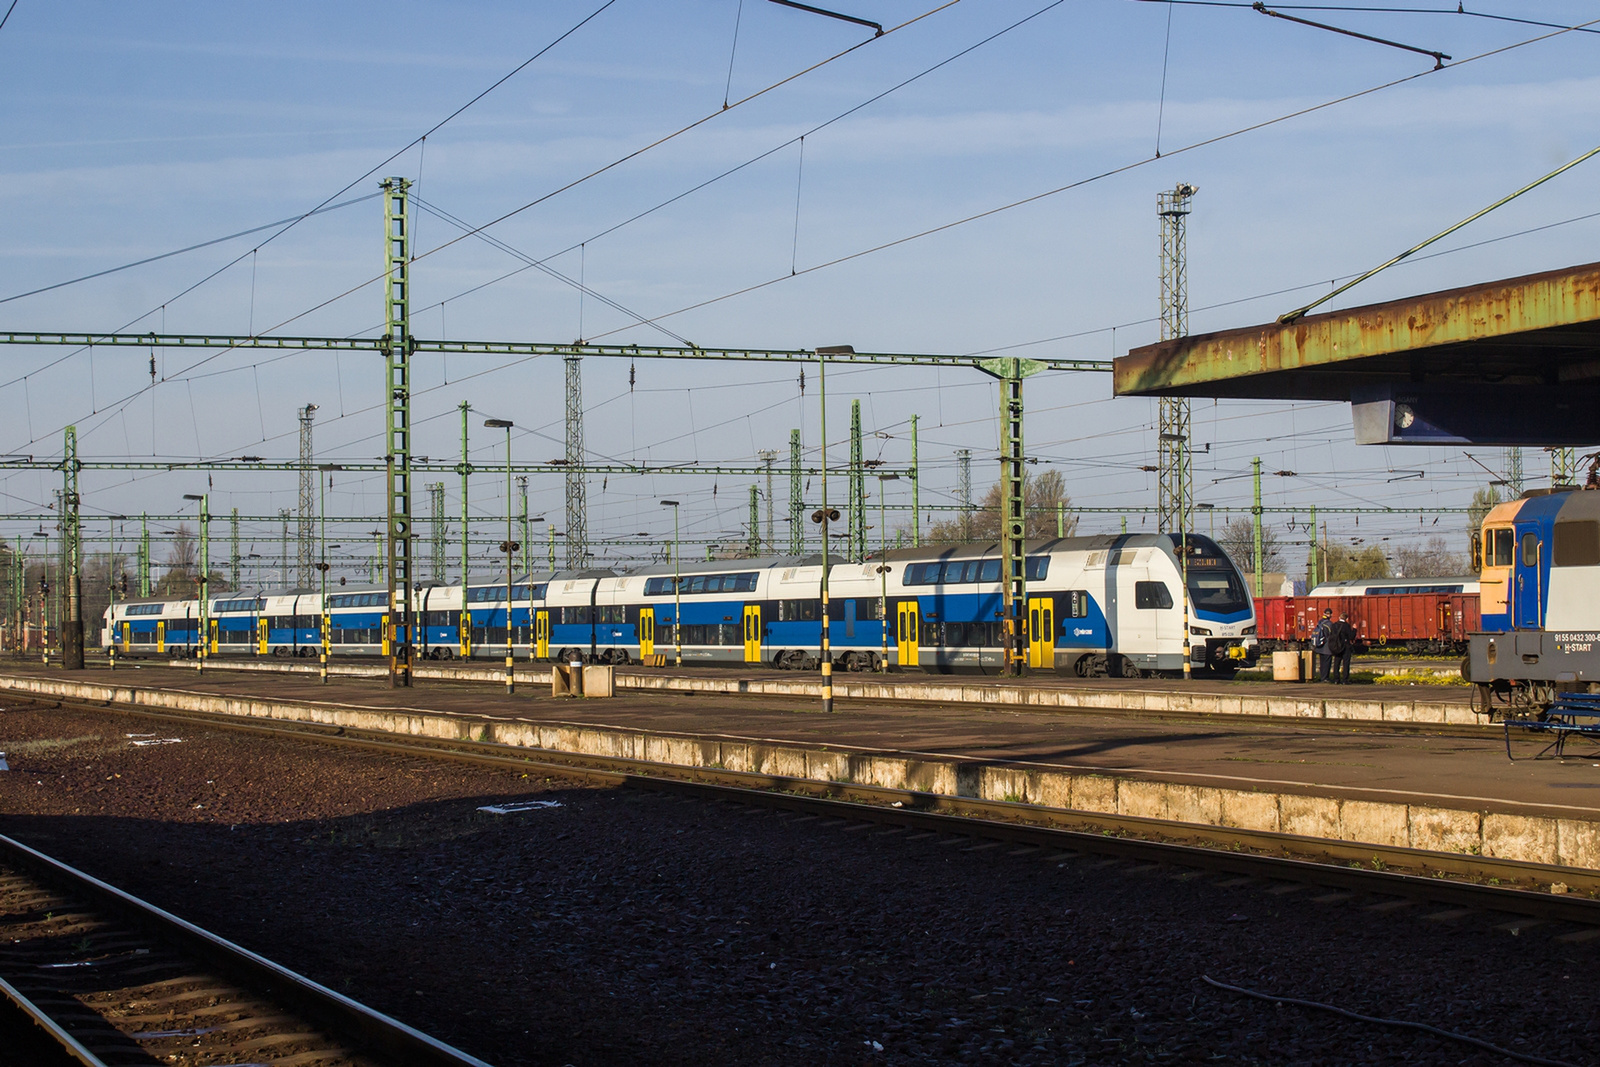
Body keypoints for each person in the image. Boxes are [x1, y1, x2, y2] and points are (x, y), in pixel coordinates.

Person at [1332, 612, 1357, 684]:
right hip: (1345, 646)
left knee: (1336, 663)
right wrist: (1354, 629)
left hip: (1336, 646)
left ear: (1339, 618)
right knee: (1346, 663)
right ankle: (1345, 680)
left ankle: (1336, 679)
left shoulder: (1334, 625)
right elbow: (1351, 636)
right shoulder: (1346, 626)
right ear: (1347, 619)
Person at [1311, 608, 1333, 683]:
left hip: (1320, 647)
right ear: (1330, 614)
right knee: (1327, 663)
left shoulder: (1320, 622)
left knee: (1322, 663)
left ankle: (1322, 677)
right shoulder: (1329, 624)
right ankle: (1325, 678)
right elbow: (1331, 635)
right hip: (1327, 647)